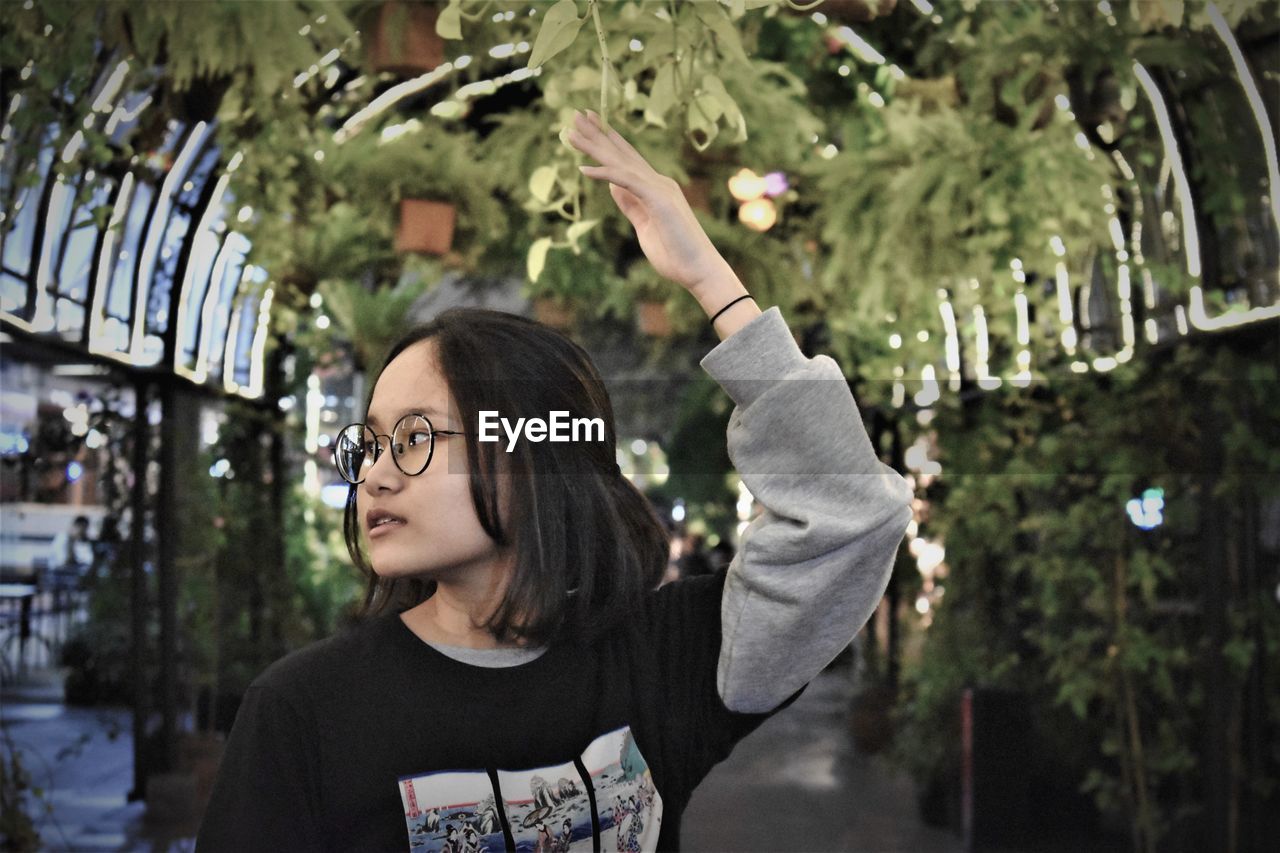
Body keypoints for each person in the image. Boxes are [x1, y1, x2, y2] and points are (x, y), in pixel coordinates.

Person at [195, 110, 912, 852]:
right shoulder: (306, 709)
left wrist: (712, 282)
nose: (373, 474)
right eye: (369, 443)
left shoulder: (665, 661)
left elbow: (849, 513)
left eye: (412, 438)